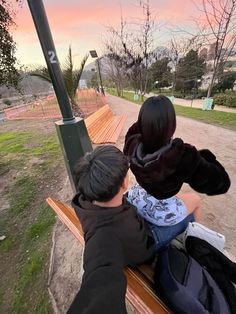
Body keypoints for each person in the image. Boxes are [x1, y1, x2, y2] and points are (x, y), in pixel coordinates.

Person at [124, 95, 230, 249]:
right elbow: (219, 183)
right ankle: (193, 241)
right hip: (160, 211)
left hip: (138, 196)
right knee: (196, 200)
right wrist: (205, 158)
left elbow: (141, 128)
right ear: (171, 125)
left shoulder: (131, 143)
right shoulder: (181, 155)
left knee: (182, 197)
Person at [67, 145, 155, 314]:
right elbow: (99, 282)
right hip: (148, 246)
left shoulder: (87, 200)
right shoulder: (103, 242)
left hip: (131, 226)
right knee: (188, 210)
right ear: (124, 183)